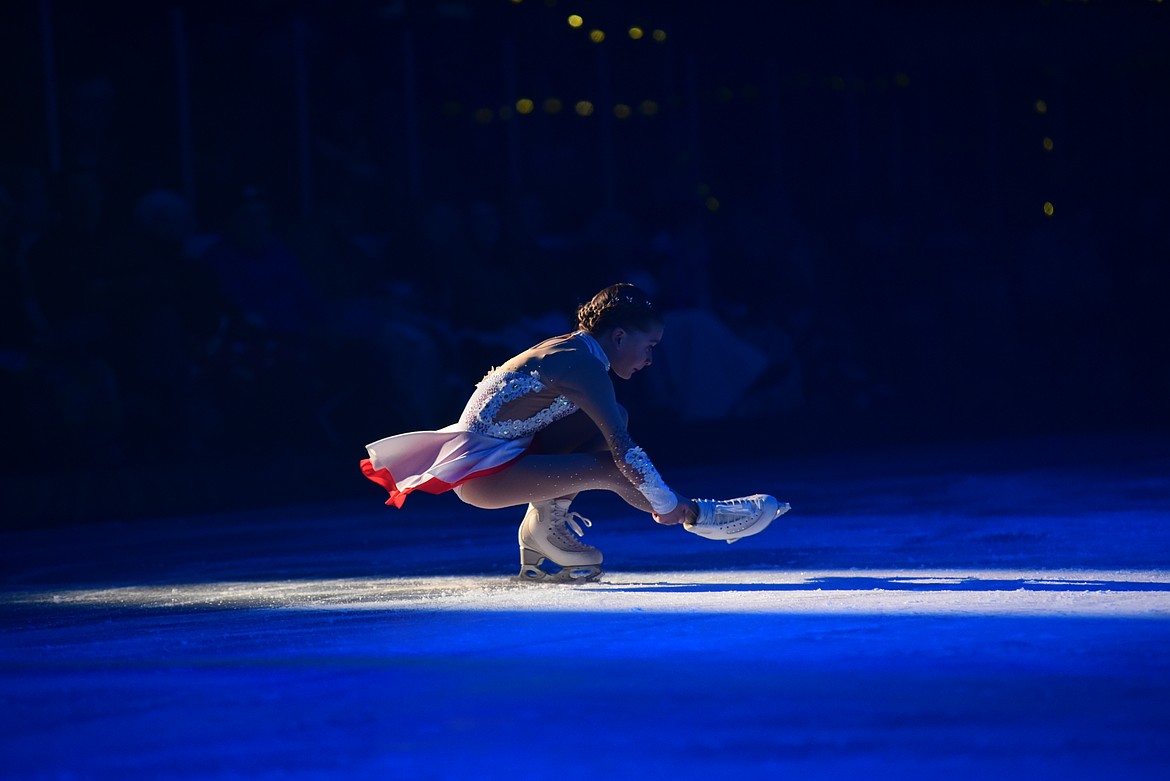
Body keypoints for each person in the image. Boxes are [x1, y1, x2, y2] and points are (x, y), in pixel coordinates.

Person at [359, 283, 790, 581]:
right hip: (484, 478)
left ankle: (543, 528)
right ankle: (704, 515)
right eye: (649, 347)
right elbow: (624, 454)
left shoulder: (578, 350)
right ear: (619, 336)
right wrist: (674, 508)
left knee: (615, 415)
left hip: (507, 457)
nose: (649, 360)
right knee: (609, 467)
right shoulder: (582, 364)